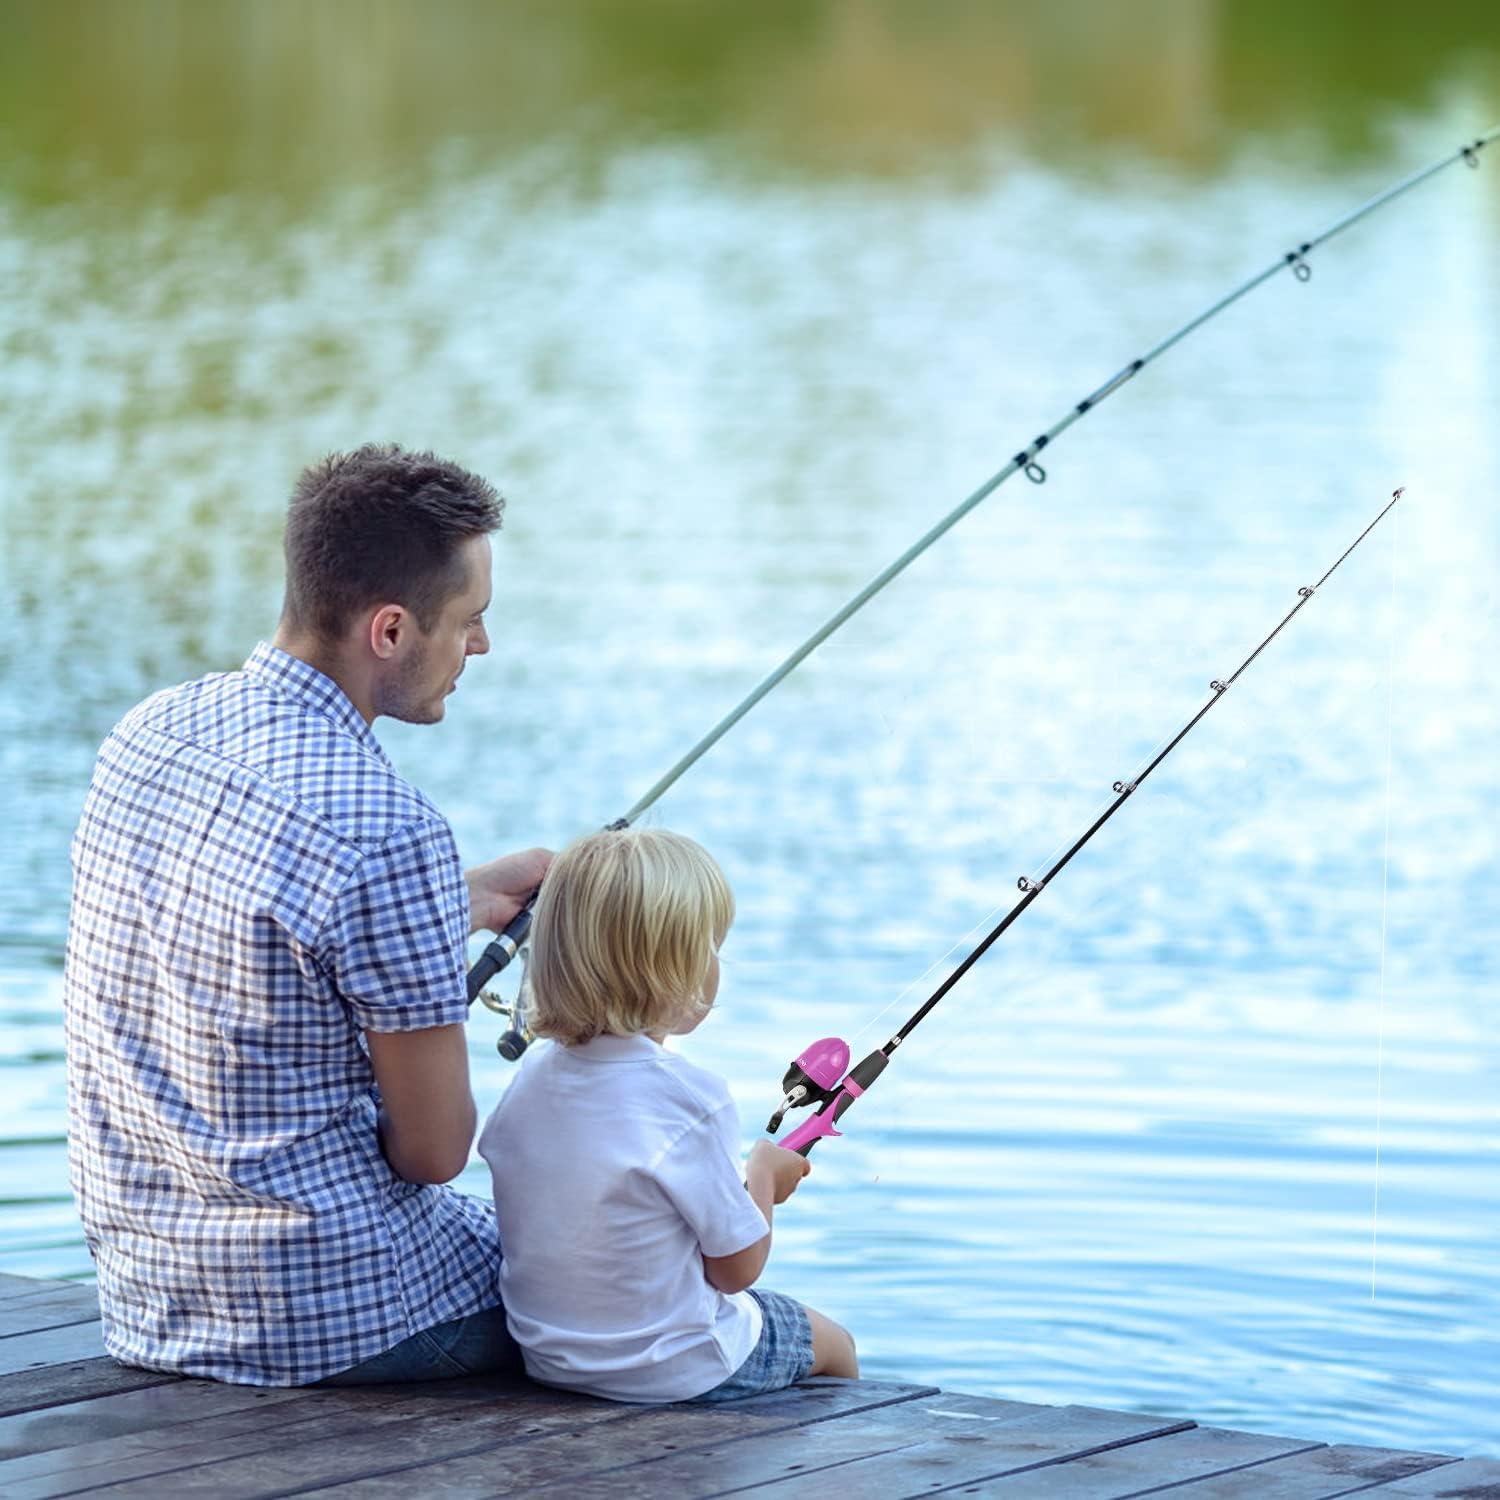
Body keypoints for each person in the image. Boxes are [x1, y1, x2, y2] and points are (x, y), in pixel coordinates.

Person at [65, 443, 549, 1386]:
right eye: (470, 620)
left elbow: (248, 933)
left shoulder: (150, 732)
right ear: (391, 630)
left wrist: (464, 898)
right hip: (329, 1315)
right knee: (652, 1286)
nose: (482, 647)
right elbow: (433, 1153)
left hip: (150, 1298)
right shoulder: (388, 828)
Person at [478, 827, 858, 1403]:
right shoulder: (692, 1098)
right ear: (671, 972)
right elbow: (735, 1271)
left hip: (551, 1358)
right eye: (710, 947)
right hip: (676, 1367)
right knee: (835, 1344)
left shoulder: (531, 1078)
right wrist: (763, 1176)